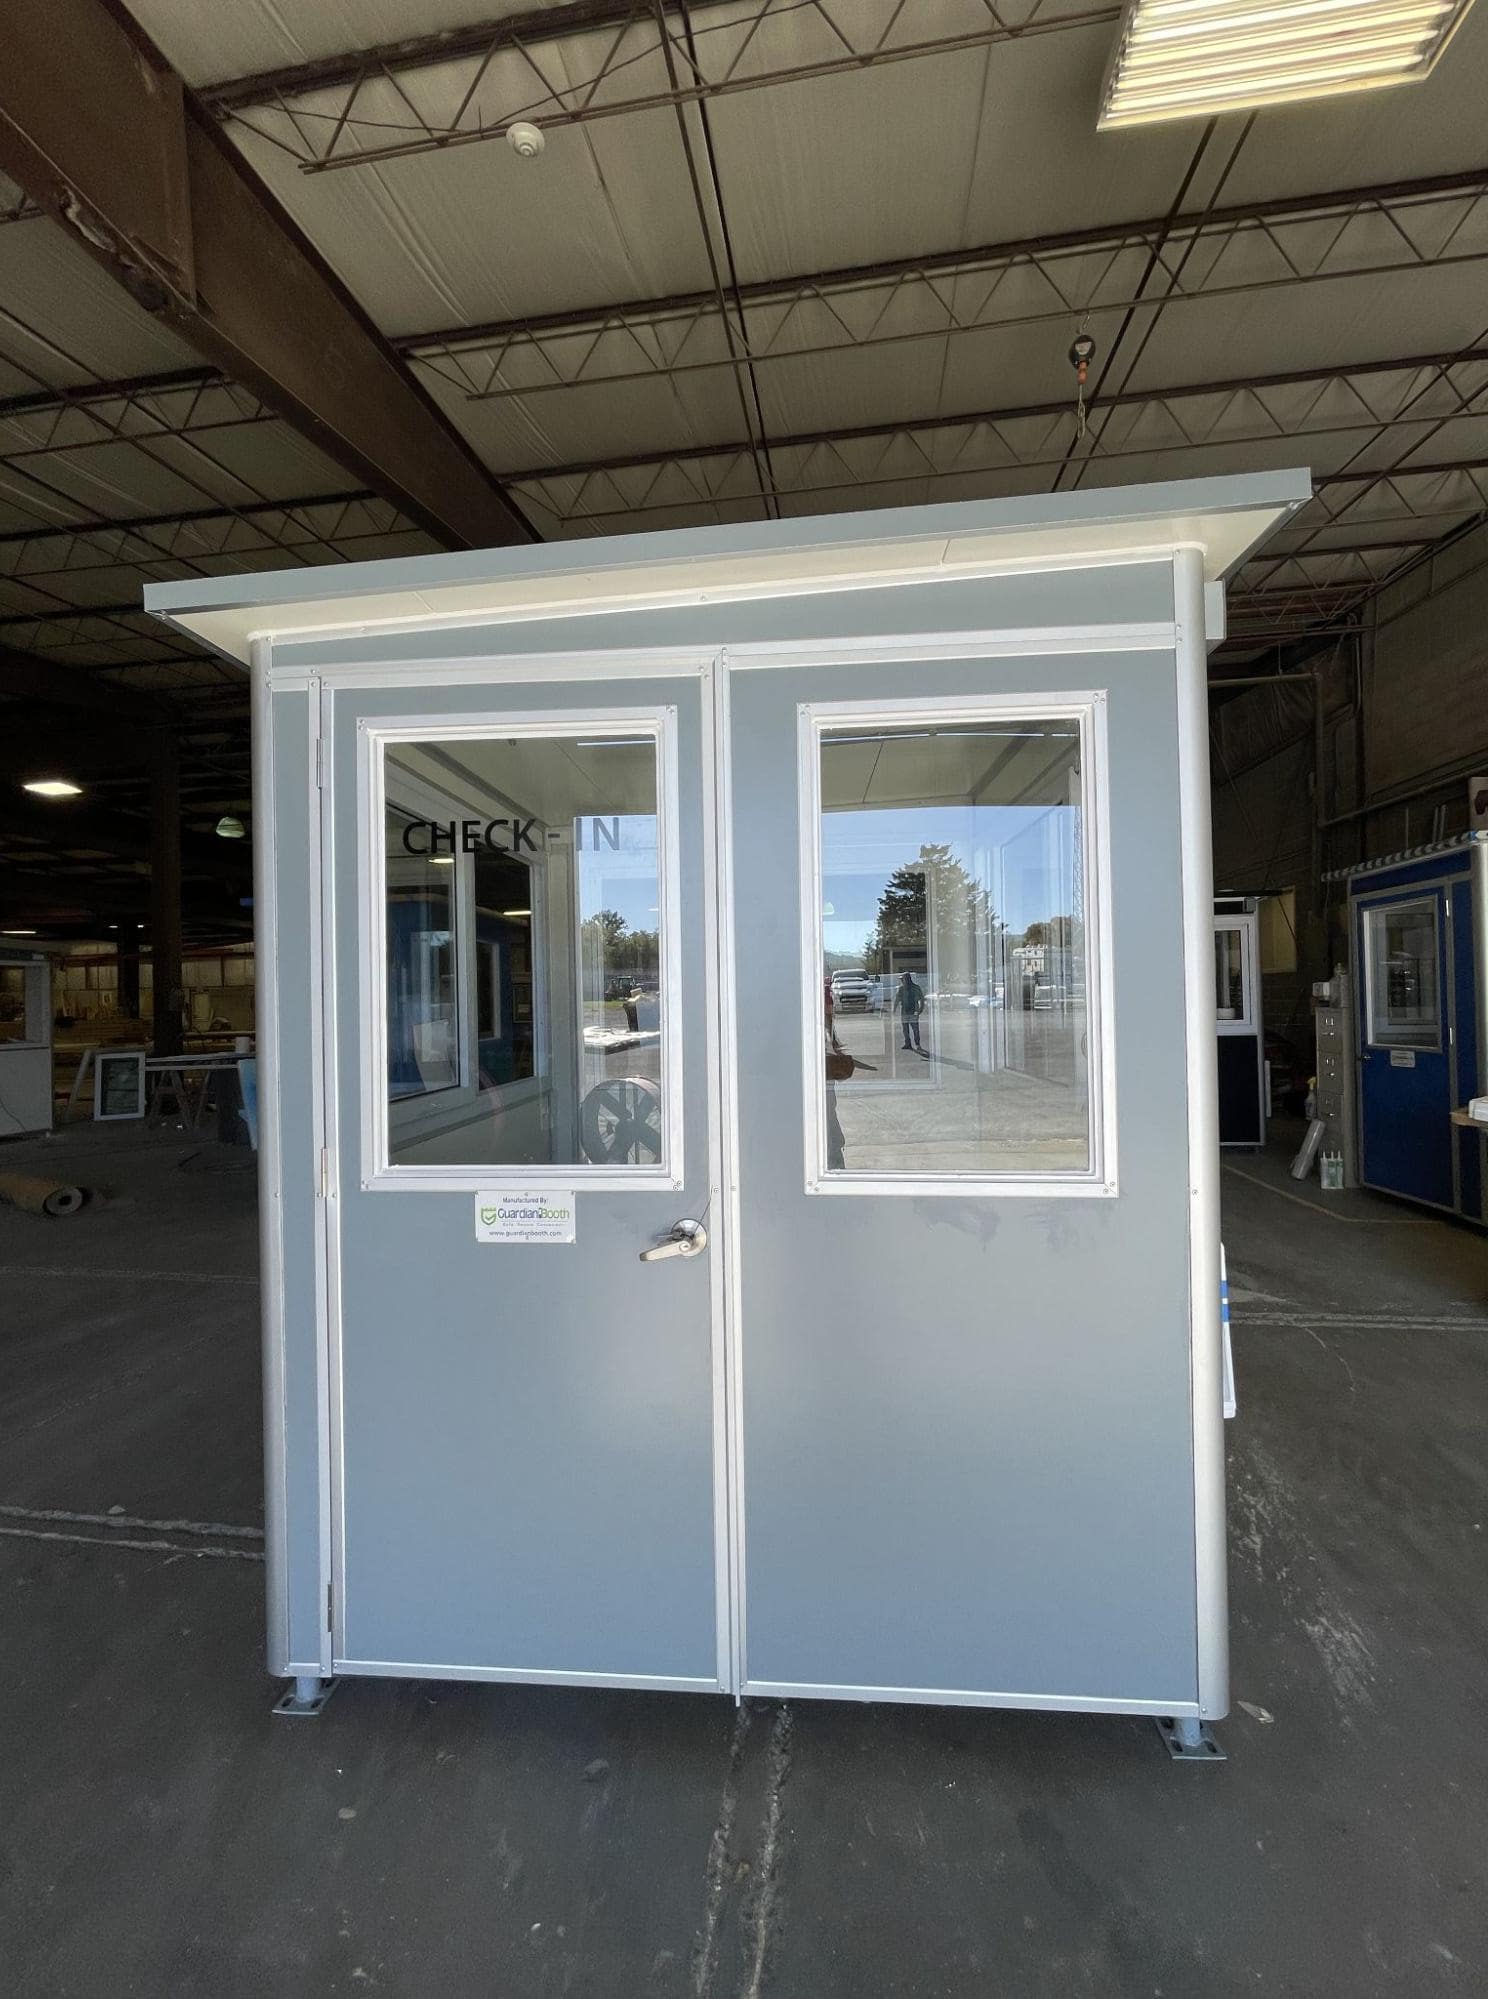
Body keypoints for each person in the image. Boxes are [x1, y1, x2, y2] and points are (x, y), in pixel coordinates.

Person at [895, 969, 925, 1052]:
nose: (901, 981)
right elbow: (897, 999)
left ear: (906, 979)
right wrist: (894, 1009)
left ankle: (917, 1044)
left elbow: (922, 999)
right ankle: (908, 1043)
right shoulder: (901, 989)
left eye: (902, 979)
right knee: (905, 1029)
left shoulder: (916, 987)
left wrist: (920, 1010)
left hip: (913, 1012)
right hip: (904, 1012)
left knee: (915, 1029)